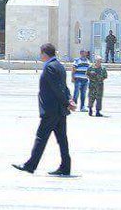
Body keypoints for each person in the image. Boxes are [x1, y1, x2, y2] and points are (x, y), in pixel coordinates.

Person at [14, 42, 75, 176]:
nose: (40, 56)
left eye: (41, 53)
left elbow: (57, 89)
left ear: (45, 54)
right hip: (59, 110)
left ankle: (30, 165)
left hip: (51, 110)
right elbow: (64, 87)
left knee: (41, 137)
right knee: (62, 139)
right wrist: (69, 100)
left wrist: (67, 102)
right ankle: (66, 166)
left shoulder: (50, 68)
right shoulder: (59, 66)